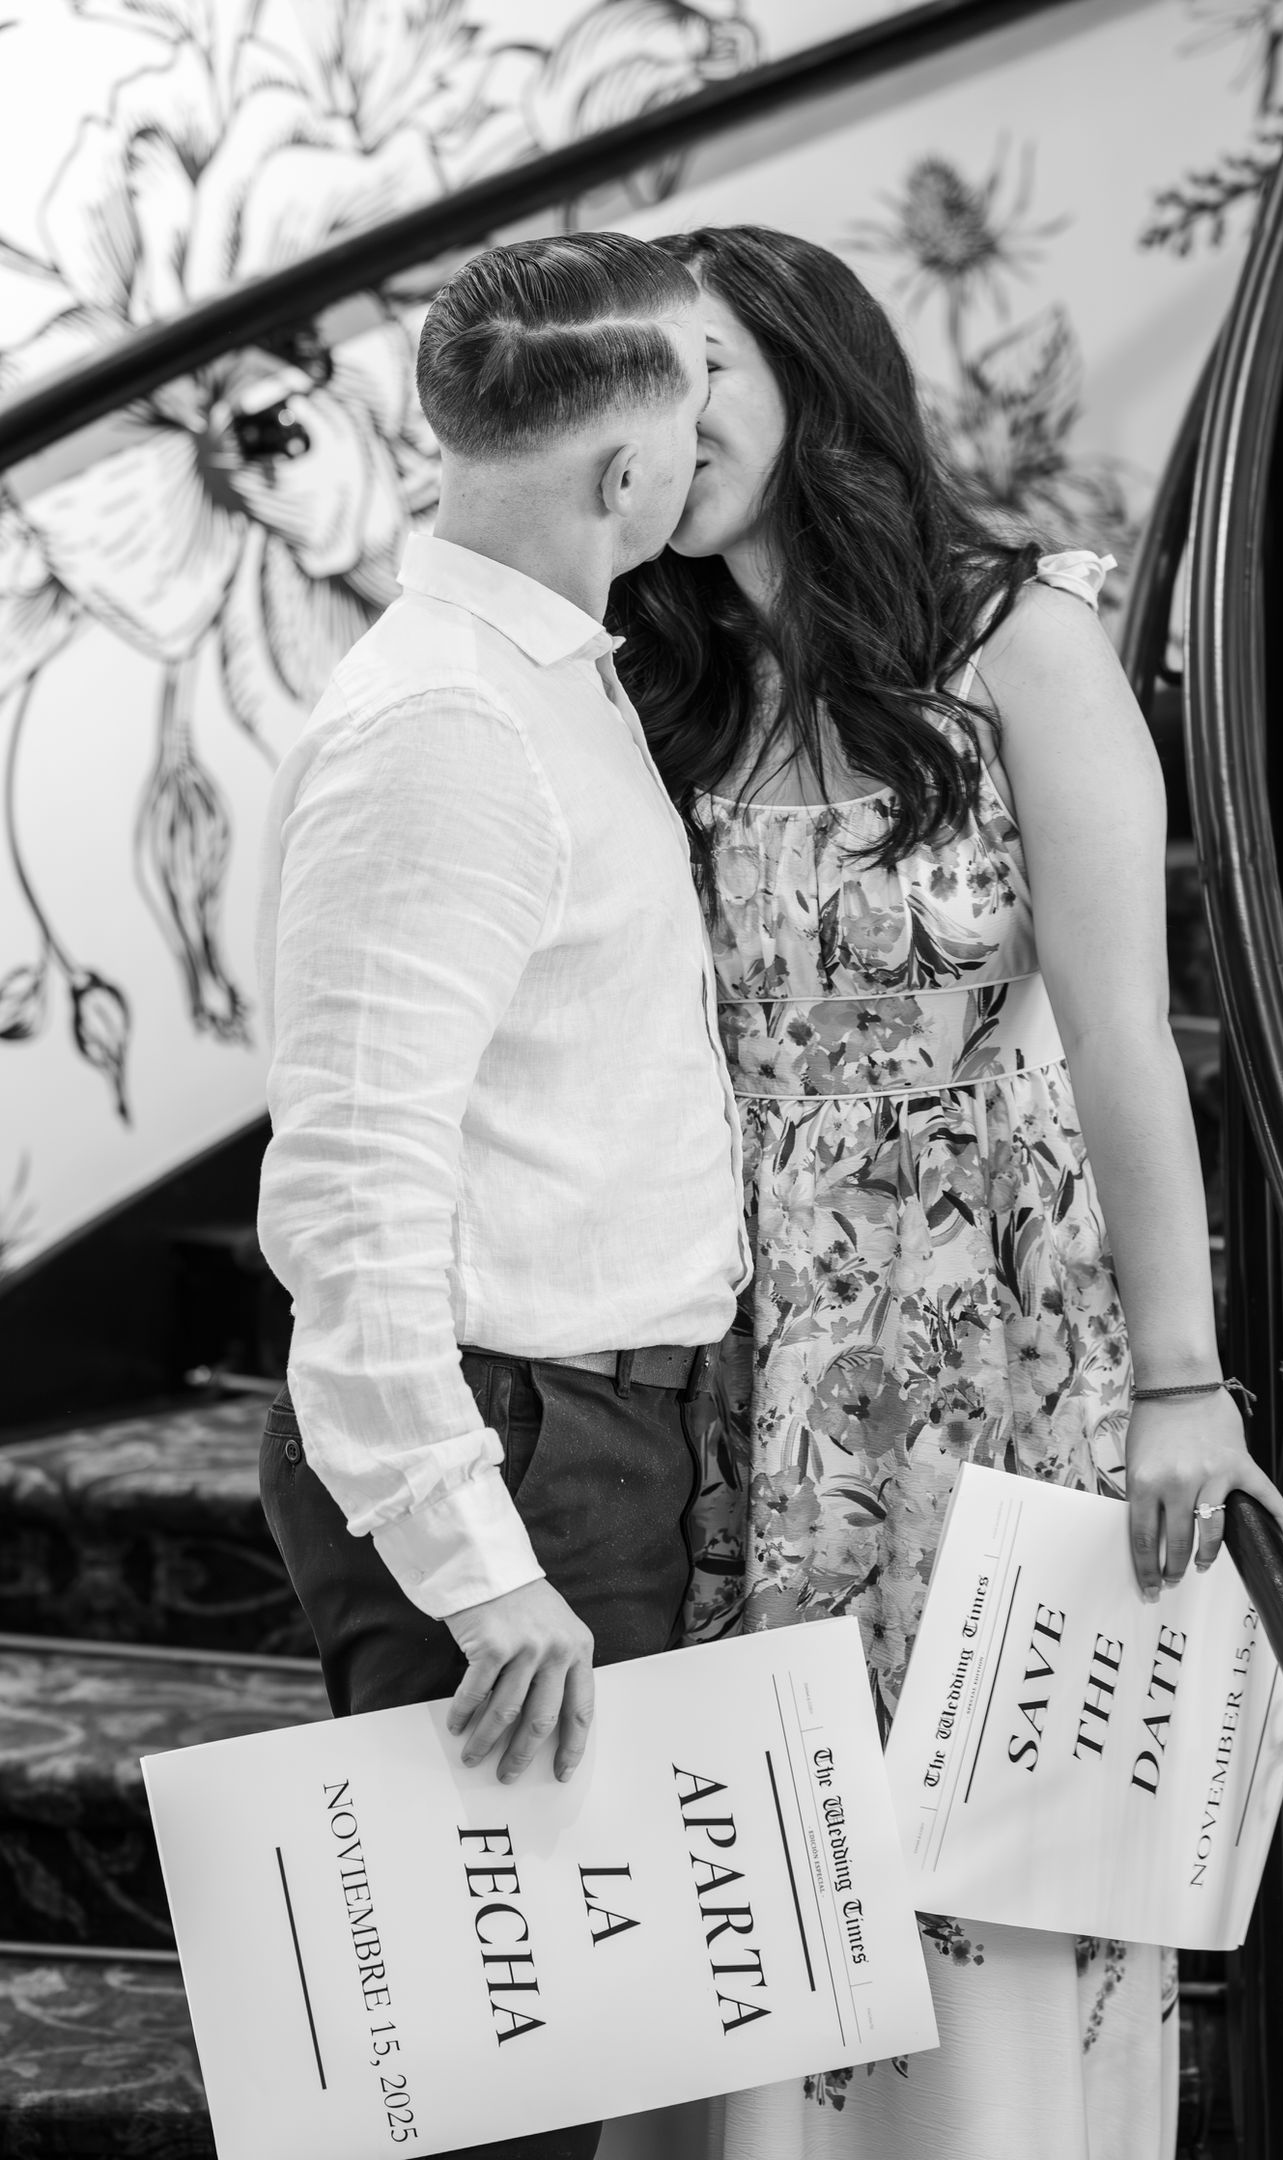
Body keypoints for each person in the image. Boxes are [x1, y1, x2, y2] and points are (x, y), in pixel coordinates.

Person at [610, 224, 1283, 2160]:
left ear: (811, 374)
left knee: (990, 1846)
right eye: (638, 384)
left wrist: (1186, 1376)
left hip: (995, 1323)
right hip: (767, 1351)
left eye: (704, 369)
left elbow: (1121, 1037)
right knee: (788, 1875)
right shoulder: (677, 689)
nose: (670, 422)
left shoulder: (1020, 636)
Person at [253, 230, 748, 2160]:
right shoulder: (450, 725)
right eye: (692, 408)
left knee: (560, 2083)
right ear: (623, 478)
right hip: (510, 1447)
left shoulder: (553, 675)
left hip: (596, 1429)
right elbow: (350, 1198)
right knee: (487, 2112)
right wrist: (488, 1572)